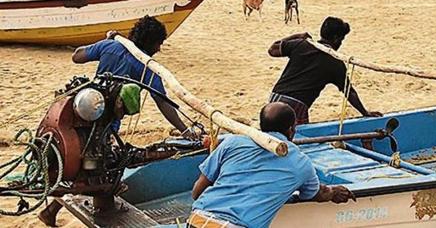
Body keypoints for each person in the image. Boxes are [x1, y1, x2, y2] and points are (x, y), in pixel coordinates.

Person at [190, 102, 355, 228]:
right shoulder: (300, 161)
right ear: (291, 130)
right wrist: (334, 192)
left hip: (197, 219)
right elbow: (317, 193)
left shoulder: (232, 142)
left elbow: (197, 191)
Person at [72, 15, 192, 135]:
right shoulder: (147, 68)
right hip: (109, 120)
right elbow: (162, 102)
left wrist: (106, 42)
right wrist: (185, 130)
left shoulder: (109, 46)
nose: (158, 49)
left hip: (89, 104)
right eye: (158, 44)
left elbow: (77, 56)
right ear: (151, 43)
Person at [267, 17, 382, 124]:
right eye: (341, 39)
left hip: (274, 98)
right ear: (336, 38)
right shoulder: (335, 62)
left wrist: (298, 36)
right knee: (296, 139)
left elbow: (272, 49)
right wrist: (365, 112)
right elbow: (349, 92)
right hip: (296, 105)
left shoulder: (301, 44)